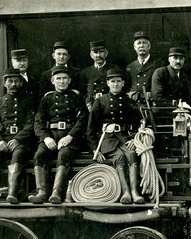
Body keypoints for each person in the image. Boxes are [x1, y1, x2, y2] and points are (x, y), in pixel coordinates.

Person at [30, 65, 88, 204]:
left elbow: (83, 119)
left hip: (70, 137)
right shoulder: (47, 99)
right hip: (51, 135)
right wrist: (46, 137)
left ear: (69, 80)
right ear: (52, 81)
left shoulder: (76, 97)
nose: (61, 81)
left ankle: (56, 193)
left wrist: (70, 136)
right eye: (58, 79)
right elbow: (38, 121)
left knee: (64, 154)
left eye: (64, 78)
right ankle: (42, 192)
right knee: (40, 154)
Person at [88, 67, 146, 204]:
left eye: (118, 81)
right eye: (112, 81)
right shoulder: (100, 101)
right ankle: (125, 192)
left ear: (123, 83)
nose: (115, 84)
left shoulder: (129, 102)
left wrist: (133, 138)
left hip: (124, 137)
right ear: (108, 83)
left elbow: (138, 124)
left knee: (132, 154)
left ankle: (135, 192)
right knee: (119, 157)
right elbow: (91, 128)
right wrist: (95, 149)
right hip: (106, 140)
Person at [0, 69, 36, 205]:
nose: (13, 84)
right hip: (3, 140)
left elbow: (31, 124)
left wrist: (18, 139)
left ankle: (12, 194)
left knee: (18, 154)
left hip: (21, 142)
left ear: (21, 83)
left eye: (16, 81)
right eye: (10, 81)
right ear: (5, 83)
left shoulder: (28, 101)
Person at [125, 30, 161, 104]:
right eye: (139, 43)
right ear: (135, 47)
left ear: (149, 46)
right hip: (134, 104)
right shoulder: (130, 67)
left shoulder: (158, 65)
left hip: (151, 103)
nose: (141, 45)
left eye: (144, 43)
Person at [81, 39, 112, 109]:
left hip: (109, 106)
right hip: (91, 107)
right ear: (91, 55)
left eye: (101, 52)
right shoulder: (85, 72)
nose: (98, 55)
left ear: (106, 53)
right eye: (95, 52)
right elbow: (82, 93)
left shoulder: (113, 69)